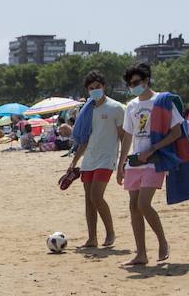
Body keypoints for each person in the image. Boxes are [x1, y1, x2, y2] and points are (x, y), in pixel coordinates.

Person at [119, 62, 181, 265]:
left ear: (146, 80)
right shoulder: (131, 106)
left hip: (155, 159)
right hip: (136, 160)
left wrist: (153, 149)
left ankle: (162, 242)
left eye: (136, 82)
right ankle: (141, 253)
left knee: (144, 204)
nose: (133, 86)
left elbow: (176, 132)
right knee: (133, 206)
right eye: (130, 83)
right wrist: (121, 164)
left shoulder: (161, 101)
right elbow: (128, 135)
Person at [65, 70, 126, 248]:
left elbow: (123, 136)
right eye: (91, 88)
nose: (95, 90)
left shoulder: (115, 108)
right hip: (89, 159)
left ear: (104, 86)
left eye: (97, 87)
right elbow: (84, 139)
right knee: (88, 200)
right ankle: (92, 238)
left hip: (107, 159)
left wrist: (123, 161)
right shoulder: (87, 110)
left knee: (96, 196)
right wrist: (74, 161)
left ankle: (110, 233)